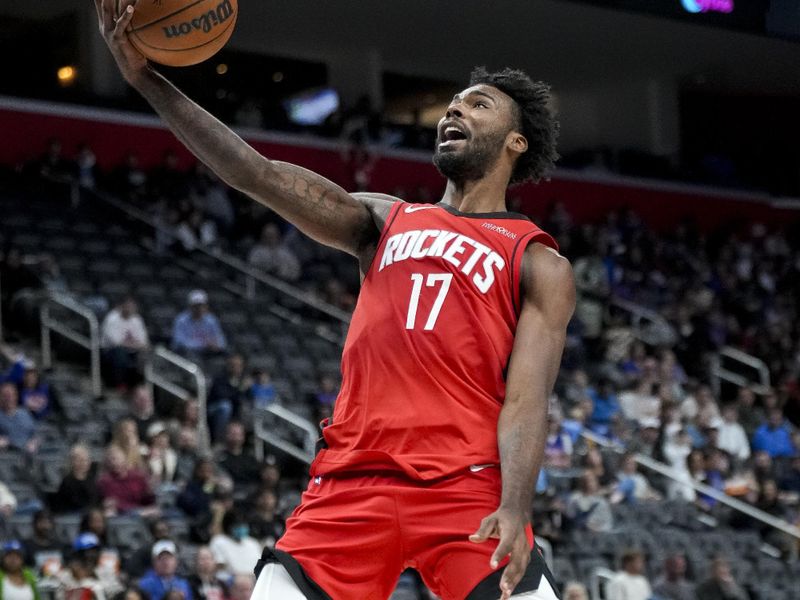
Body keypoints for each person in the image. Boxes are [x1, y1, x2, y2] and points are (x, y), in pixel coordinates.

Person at [96, 9, 572, 598]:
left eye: (477, 105)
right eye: (451, 102)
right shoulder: (382, 218)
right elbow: (255, 173)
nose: (453, 110)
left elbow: (527, 401)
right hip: (352, 480)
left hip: (467, 487)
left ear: (515, 141)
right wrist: (145, 79)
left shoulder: (537, 261)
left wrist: (516, 510)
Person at [101, 297, 149, 389]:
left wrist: (136, 345)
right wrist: (134, 344)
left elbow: (143, 342)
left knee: (145, 353)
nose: (130, 309)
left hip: (131, 351)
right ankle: (120, 384)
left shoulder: (137, 319)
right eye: (128, 306)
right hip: (110, 351)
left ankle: (141, 385)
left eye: (132, 307)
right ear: (122, 306)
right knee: (120, 352)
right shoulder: (112, 318)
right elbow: (116, 342)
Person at [170, 291, 226, 358]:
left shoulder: (211, 320)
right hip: (187, 354)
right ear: (190, 306)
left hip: (208, 353)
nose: (199, 309)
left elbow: (221, 340)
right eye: (196, 306)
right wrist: (203, 345)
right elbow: (178, 342)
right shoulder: (181, 320)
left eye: (202, 306)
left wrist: (217, 345)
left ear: (206, 306)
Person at [209, 511, 262, 577]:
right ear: (228, 527)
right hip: (231, 582)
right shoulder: (219, 541)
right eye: (238, 525)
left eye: (244, 525)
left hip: (255, 580)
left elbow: (261, 567)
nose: (242, 528)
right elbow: (220, 569)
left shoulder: (253, 543)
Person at [50, 444, 99, 514]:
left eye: (85, 460)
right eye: (79, 460)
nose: (83, 463)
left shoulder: (92, 479)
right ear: (72, 462)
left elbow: (95, 500)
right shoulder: (67, 481)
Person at [0, 382, 38, 453]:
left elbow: (34, 434)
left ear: (16, 396)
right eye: (5, 395)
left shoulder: (25, 414)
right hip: (6, 454)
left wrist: (34, 442)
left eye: (11, 395)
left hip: (27, 453)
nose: (8, 398)